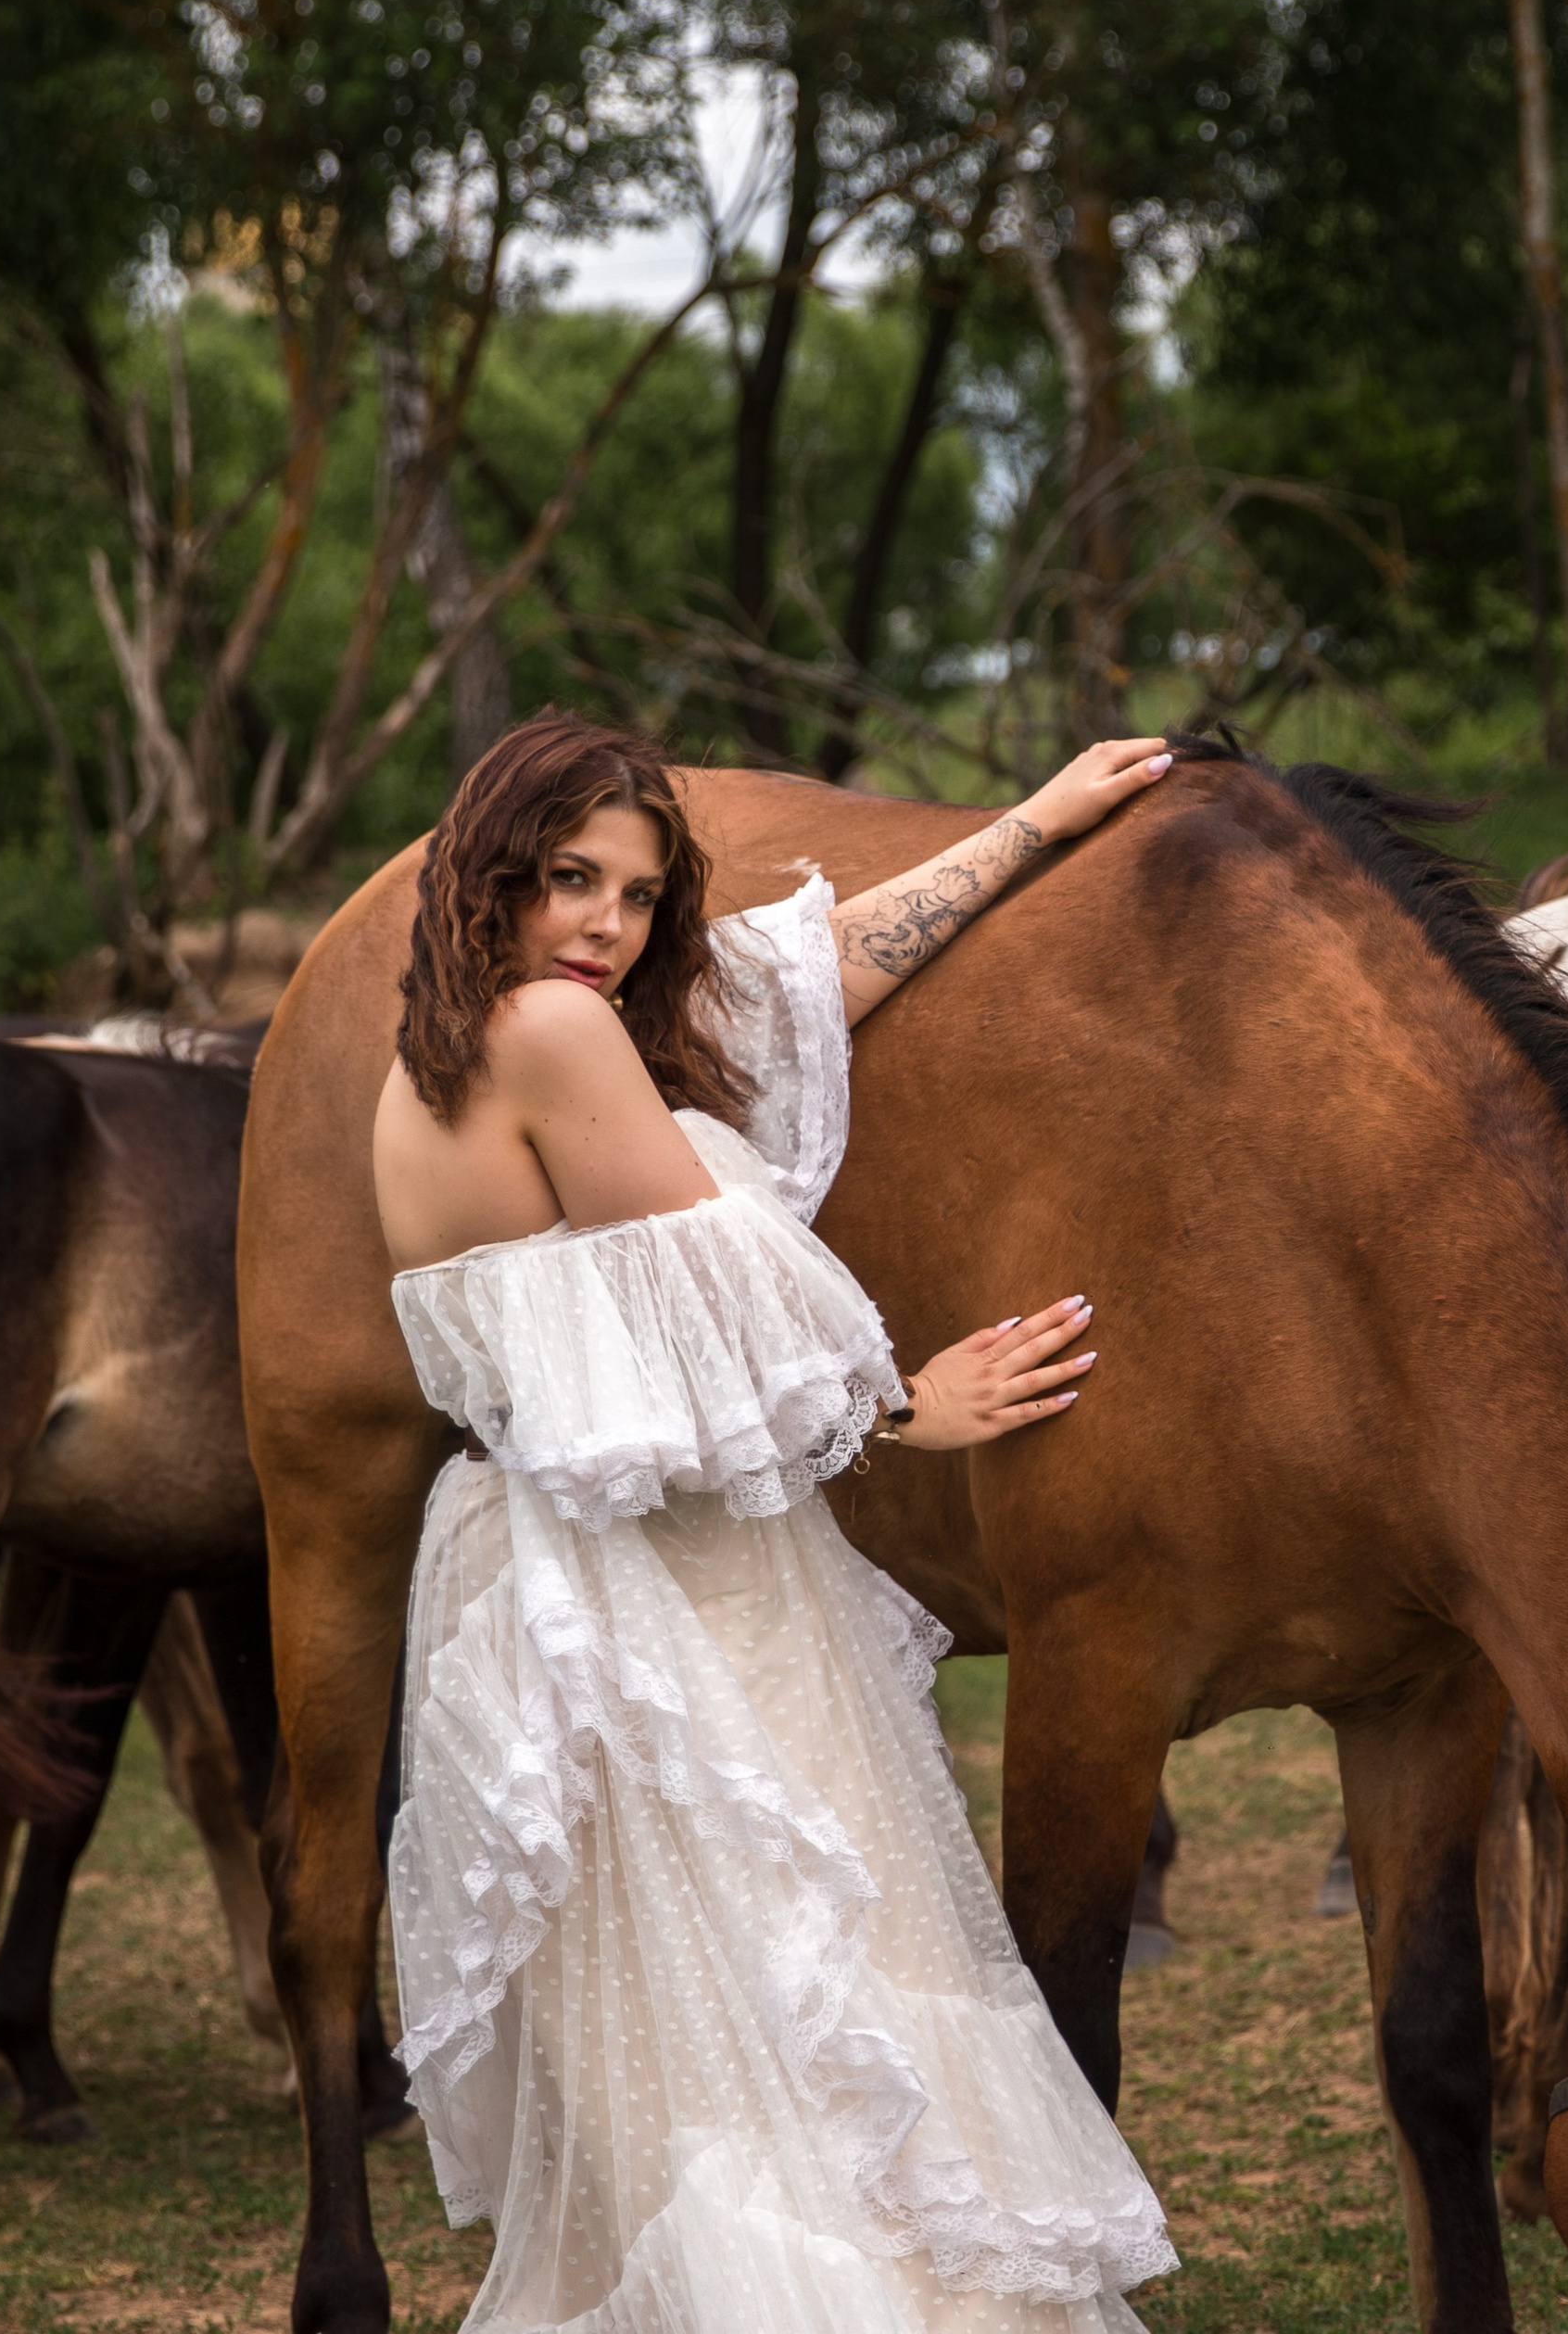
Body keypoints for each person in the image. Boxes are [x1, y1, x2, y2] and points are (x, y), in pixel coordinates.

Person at [372, 712, 1180, 2333]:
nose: (606, 925)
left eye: (639, 895)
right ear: (491, 877)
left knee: (689, 2065)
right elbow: (722, 1311)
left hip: (519, 1571)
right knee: (800, 2039)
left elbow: (800, 980)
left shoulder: (449, 1055)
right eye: (568, 880)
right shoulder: (555, 1033)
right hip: (648, 1590)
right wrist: (904, 1405)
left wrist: (1031, 826)